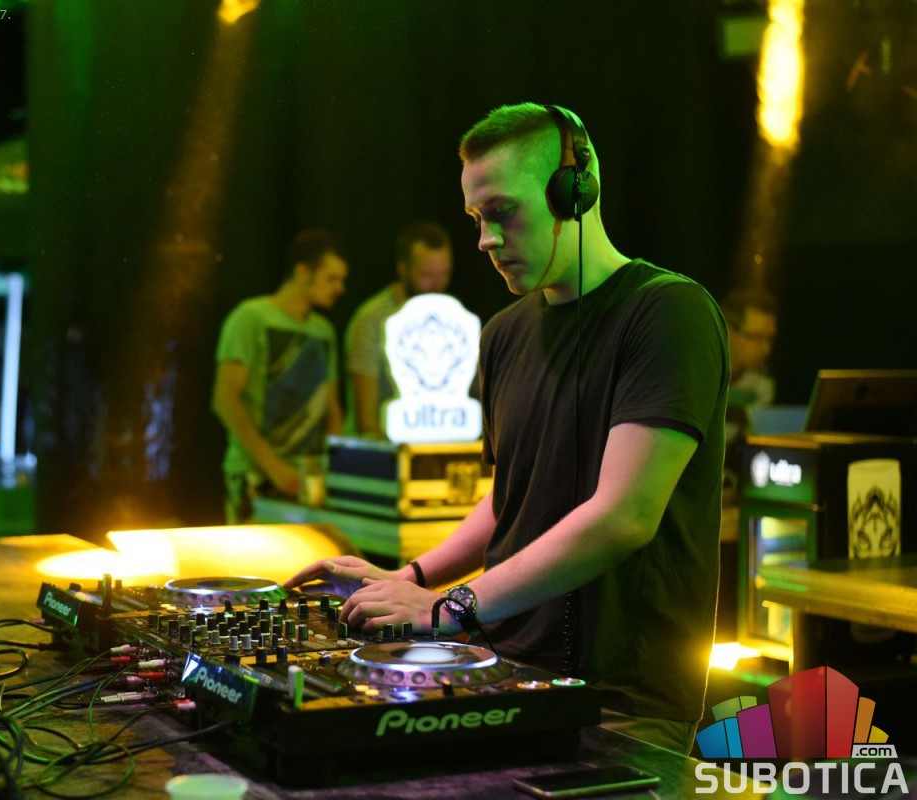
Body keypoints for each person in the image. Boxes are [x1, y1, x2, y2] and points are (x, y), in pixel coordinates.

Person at [287, 103, 728, 755]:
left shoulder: (667, 312)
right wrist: (412, 577)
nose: (485, 240)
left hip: (621, 702)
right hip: (504, 667)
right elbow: (507, 497)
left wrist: (449, 607)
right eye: (476, 218)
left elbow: (624, 515)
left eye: (501, 212)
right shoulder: (503, 333)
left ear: (575, 192)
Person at [212, 229, 348, 523]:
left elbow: (332, 409)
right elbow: (225, 400)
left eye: (341, 280)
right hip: (255, 477)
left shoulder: (323, 331)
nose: (340, 288)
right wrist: (274, 468)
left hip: (308, 481)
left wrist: (334, 471)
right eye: (331, 278)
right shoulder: (251, 316)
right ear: (302, 272)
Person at [344, 222, 453, 435]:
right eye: (427, 275)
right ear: (403, 270)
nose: (437, 285)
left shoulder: (451, 317)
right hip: (383, 450)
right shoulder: (372, 320)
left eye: (445, 274)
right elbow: (366, 423)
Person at [721, 287, 778, 443]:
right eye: (756, 337)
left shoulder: (762, 384)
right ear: (728, 331)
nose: (766, 349)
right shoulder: (693, 374)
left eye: (769, 339)